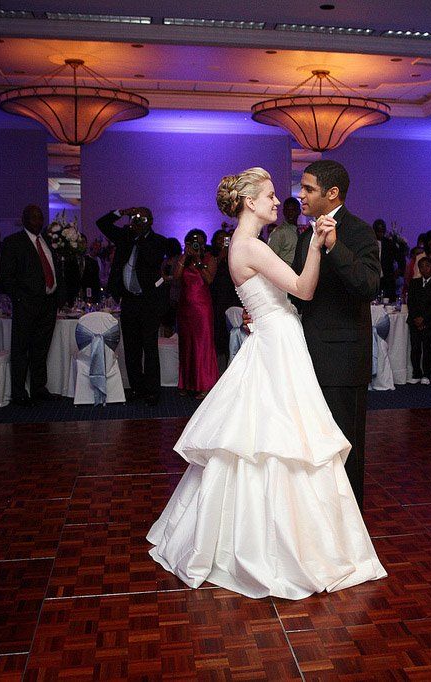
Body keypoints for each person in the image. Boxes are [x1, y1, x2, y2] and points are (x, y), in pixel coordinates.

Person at [148, 166, 386, 600]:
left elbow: (290, 291)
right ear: (250, 202)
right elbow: (302, 288)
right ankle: (287, 544)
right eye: (272, 195)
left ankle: (288, 537)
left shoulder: (251, 245)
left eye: (297, 191)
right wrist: (317, 246)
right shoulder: (252, 246)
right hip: (281, 344)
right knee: (284, 441)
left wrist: (262, 303)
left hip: (284, 341)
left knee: (275, 441)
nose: (282, 200)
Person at [292, 159, 380, 511]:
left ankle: (350, 524)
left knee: (346, 446)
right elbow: (301, 291)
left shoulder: (358, 232)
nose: (300, 194)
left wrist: (334, 246)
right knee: (314, 445)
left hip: (343, 361)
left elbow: (368, 285)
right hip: (306, 357)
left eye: (308, 189)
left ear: (332, 193)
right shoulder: (304, 235)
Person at [96, 206, 168, 406]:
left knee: (149, 348)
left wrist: (138, 235)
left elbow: (150, 259)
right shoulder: (125, 236)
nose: (138, 222)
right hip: (128, 301)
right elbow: (102, 224)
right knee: (131, 348)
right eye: (136, 219)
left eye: (143, 219)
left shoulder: (157, 241)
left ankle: (152, 391)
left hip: (148, 302)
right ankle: (136, 388)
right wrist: (122, 212)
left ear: (151, 221)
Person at [0, 205, 64, 406]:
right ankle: (18, 391)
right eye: (33, 218)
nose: (38, 221)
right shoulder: (13, 242)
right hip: (26, 303)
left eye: (40, 218)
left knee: (41, 348)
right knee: (21, 348)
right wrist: (19, 298)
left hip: (48, 303)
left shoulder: (46, 240)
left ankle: (38, 387)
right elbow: (6, 277)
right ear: (24, 219)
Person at [173, 229, 218, 398]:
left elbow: (209, 279)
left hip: (202, 308)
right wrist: (185, 258)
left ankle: (205, 384)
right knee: (187, 345)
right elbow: (176, 278)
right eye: (192, 241)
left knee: (202, 345)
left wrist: (198, 262)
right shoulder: (183, 260)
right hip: (185, 308)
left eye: (199, 241)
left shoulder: (209, 259)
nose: (196, 244)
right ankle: (187, 383)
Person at [407, 254, 431, 384]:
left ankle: (426, 374)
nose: (424, 269)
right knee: (415, 348)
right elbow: (410, 302)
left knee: (428, 348)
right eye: (421, 267)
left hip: (429, 321)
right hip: (414, 320)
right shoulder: (414, 283)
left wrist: (424, 319)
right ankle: (416, 373)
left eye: (427, 266)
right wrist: (416, 318)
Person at [208, 228, 240, 368]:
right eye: (220, 239)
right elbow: (210, 278)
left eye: (226, 239)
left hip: (232, 297)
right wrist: (221, 256)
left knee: (232, 334)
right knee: (218, 334)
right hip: (217, 299)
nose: (223, 242)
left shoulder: (237, 253)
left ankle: (231, 364)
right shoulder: (212, 256)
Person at [373, 219, 401, 300]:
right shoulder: (369, 243)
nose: (380, 233)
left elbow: (400, 257)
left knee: (389, 300)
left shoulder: (389, 244)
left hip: (387, 278)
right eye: (378, 231)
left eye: (382, 231)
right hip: (373, 277)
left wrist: (399, 270)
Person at [267, 197, 299, 264]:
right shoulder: (279, 232)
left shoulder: (300, 231)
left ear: (299, 211)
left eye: (293, 210)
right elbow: (269, 259)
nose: (290, 213)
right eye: (288, 210)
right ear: (284, 212)